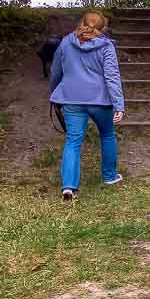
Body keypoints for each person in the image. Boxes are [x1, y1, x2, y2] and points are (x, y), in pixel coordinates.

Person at [49, 11, 125, 200]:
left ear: (82, 22)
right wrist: (119, 105)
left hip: (71, 99)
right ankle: (109, 176)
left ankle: (69, 187)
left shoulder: (66, 42)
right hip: (100, 100)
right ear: (103, 28)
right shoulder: (106, 46)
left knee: (73, 141)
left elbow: (55, 70)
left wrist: (55, 93)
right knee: (107, 134)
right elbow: (112, 77)